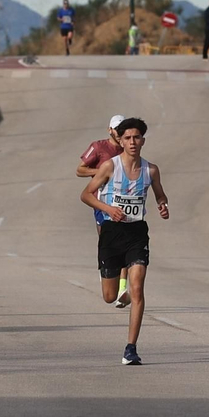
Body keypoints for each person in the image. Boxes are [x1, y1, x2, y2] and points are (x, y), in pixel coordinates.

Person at [80, 117, 169, 365]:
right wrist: (107, 209)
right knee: (109, 296)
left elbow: (161, 195)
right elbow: (86, 195)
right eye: (127, 138)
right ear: (121, 140)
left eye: (137, 137)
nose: (132, 142)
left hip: (137, 232)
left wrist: (163, 206)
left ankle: (131, 348)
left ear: (143, 140)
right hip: (111, 233)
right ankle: (112, 283)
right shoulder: (109, 166)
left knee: (138, 287)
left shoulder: (151, 170)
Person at [77, 114, 132, 305]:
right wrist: (101, 172)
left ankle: (122, 289)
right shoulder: (99, 147)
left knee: (125, 244)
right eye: (117, 130)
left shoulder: (128, 146)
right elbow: (80, 170)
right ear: (110, 130)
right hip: (102, 202)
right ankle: (107, 275)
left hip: (125, 202)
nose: (120, 134)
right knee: (108, 243)